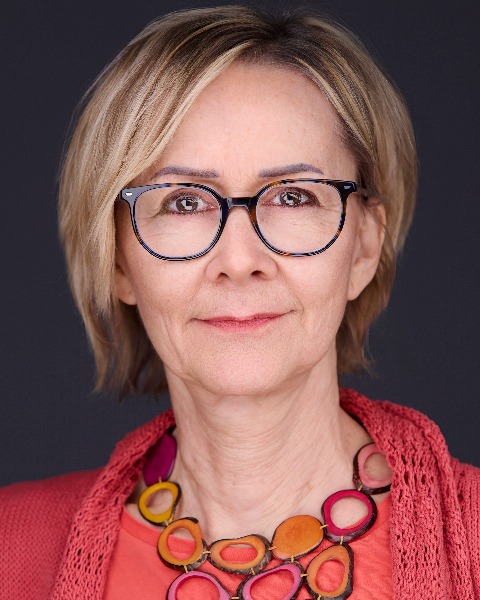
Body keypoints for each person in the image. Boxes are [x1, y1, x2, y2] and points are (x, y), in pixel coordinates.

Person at [1, 6, 479, 599]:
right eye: (183, 202)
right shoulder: (12, 550)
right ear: (119, 260)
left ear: (363, 247)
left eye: (293, 196)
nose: (239, 259)